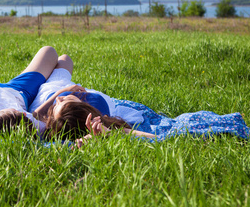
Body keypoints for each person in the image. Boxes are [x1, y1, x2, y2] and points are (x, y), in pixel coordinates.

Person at [27, 55, 156, 144]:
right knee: (64, 59)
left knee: (61, 57)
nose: (59, 98)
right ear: (82, 106)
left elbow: (34, 115)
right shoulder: (101, 121)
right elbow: (154, 138)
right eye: (64, 101)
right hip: (60, 84)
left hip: (49, 87)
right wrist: (109, 132)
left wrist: (59, 92)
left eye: (56, 105)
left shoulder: (55, 121)